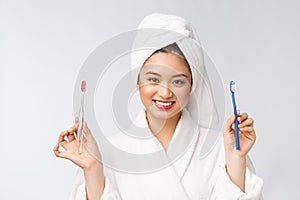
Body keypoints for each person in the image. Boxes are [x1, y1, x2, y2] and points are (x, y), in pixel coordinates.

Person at [53, 13, 263, 200]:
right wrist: (93, 169)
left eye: (178, 81)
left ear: (192, 86)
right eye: (153, 79)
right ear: (137, 81)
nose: (165, 93)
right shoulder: (107, 152)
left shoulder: (219, 148)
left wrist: (235, 160)